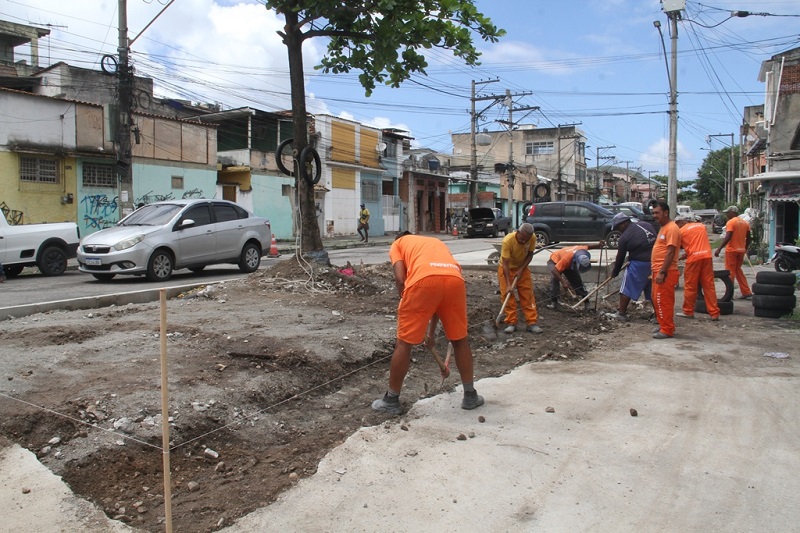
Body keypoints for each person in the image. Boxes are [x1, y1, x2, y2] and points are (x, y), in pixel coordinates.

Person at [372, 232, 484, 415]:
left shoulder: (397, 244)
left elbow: (400, 279)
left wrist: (405, 299)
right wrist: (430, 334)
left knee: (404, 343)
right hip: (454, 280)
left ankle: (391, 399)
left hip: (423, 282)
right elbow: (437, 300)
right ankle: (470, 395)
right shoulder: (433, 242)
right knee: (460, 341)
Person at [607, 212, 656, 321]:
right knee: (652, 289)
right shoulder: (646, 225)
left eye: (618, 227)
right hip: (654, 262)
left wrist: (615, 272)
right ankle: (658, 316)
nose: (618, 230)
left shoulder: (625, 237)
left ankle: (621, 313)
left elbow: (620, 257)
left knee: (626, 287)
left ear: (623, 224)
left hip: (639, 263)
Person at [498, 223, 542, 334]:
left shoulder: (532, 238)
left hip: (522, 267)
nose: (523, 241)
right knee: (508, 295)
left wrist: (521, 269)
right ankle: (511, 322)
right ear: (517, 232)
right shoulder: (508, 241)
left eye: (526, 240)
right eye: (522, 238)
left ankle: (531, 322)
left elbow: (530, 254)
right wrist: (508, 284)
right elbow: (505, 264)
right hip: (507, 268)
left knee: (527, 295)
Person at [674, 215, 720, 320]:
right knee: (709, 285)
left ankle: (688, 311)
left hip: (694, 260)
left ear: (680, 222)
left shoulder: (681, 231)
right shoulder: (701, 226)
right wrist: (685, 255)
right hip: (707, 256)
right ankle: (714, 313)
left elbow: (680, 246)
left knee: (690, 285)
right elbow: (697, 243)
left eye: (676, 224)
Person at [650, 200, 681, 339]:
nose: (654, 215)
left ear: (666, 212)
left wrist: (662, 272)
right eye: (653, 213)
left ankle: (667, 329)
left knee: (663, 300)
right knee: (657, 300)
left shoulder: (672, 228)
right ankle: (664, 325)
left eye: (657, 212)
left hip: (666, 272)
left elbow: (670, 252)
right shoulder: (664, 227)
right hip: (658, 270)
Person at [547, 241, 604, 310]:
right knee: (554, 279)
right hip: (555, 261)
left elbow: (589, 246)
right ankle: (554, 302)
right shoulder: (566, 259)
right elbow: (554, 270)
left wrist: (598, 245)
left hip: (568, 263)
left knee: (577, 280)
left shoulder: (582, 250)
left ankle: (586, 302)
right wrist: (563, 281)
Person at [714, 205, 752, 299]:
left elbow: (728, 236)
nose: (727, 214)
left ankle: (729, 294)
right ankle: (746, 292)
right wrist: (745, 248)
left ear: (732, 212)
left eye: (728, 212)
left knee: (730, 272)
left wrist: (719, 249)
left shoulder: (731, 222)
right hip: (741, 250)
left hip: (731, 251)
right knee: (738, 270)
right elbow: (749, 238)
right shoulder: (744, 223)